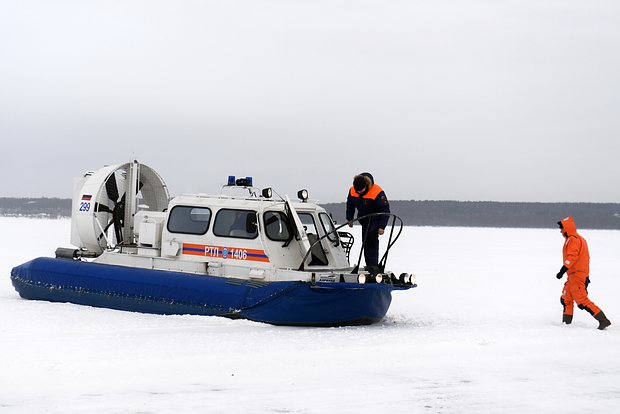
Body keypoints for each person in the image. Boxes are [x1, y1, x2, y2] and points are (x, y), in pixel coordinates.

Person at [556, 216, 611, 330]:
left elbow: (572, 256)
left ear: (566, 228)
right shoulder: (575, 239)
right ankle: (566, 324)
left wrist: (562, 270)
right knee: (566, 299)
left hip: (577, 275)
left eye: (561, 228)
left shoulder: (573, 239)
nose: (560, 231)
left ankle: (603, 320)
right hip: (573, 275)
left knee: (581, 300)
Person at [346, 172, 390, 275]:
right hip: (364, 220)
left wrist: (382, 226)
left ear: (366, 185)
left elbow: (385, 209)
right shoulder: (353, 190)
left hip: (375, 220)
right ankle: (369, 265)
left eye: (361, 190)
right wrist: (350, 218)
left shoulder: (377, 191)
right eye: (358, 191)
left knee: (371, 240)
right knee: (365, 241)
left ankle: (373, 266)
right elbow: (350, 205)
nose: (359, 192)